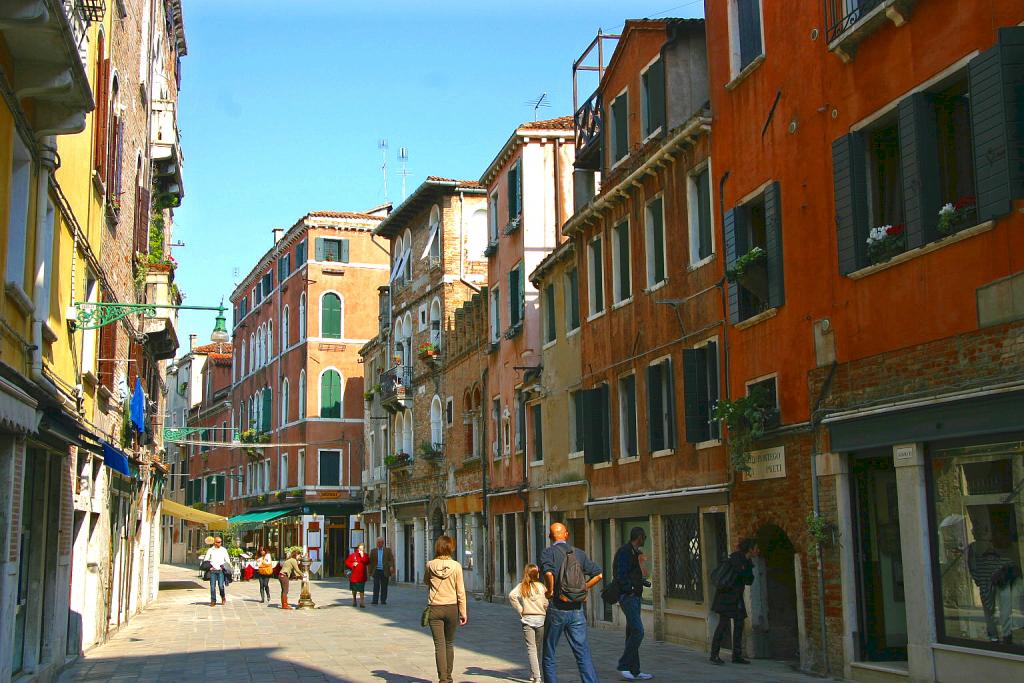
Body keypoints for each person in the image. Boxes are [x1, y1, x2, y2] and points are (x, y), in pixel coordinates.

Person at [539, 522, 603, 683]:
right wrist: (584, 588)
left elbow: (548, 573)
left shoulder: (548, 553)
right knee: (582, 652)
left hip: (557, 608)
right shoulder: (579, 553)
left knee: (549, 652)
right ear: (566, 535)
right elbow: (599, 575)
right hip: (577, 609)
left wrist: (550, 591)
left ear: (550, 536)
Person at [425, 535, 467, 683]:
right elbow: (460, 591)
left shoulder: (430, 565)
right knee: (449, 643)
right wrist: (463, 612)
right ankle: (448, 677)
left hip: (435, 607)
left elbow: (426, 581)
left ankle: (442, 679)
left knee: (439, 645)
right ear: (451, 548)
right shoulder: (456, 566)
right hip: (451, 608)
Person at [709, 538, 758, 665]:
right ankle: (714, 655)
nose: (758, 551)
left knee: (739, 624)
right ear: (750, 549)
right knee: (723, 625)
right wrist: (745, 569)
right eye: (756, 548)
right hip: (726, 597)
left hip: (736, 598)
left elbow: (749, 580)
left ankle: (737, 655)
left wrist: (748, 568)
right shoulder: (737, 560)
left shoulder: (747, 562)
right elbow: (741, 577)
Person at [613, 527, 653, 680]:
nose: (645, 540)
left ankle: (635, 670)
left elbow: (634, 573)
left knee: (632, 633)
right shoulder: (625, 551)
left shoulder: (635, 553)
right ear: (639, 537)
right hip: (628, 597)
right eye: (644, 537)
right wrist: (629, 589)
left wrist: (639, 583)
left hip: (635, 596)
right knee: (638, 631)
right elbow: (620, 573)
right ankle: (624, 665)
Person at [508, 563, 548, 683]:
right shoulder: (542, 587)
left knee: (531, 648)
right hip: (541, 619)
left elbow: (511, 596)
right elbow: (546, 603)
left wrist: (520, 609)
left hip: (528, 619)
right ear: (537, 574)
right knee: (538, 647)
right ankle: (535, 673)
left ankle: (536, 675)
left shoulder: (522, 586)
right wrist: (544, 608)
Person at [202, 536, 231, 607]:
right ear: (215, 542)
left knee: (221, 586)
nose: (220, 543)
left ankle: (223, 597)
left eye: (221, 542)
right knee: (212, 586)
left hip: (221, 570)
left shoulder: (223, 550)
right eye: (218, 542)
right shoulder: (210, 550)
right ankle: (213, 601)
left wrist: (225, 567)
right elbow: (206, 560)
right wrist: (210, 567)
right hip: (213, 571)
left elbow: (227, 560)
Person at [371, 536, 396, 605]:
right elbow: (371, 562)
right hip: (376, 570)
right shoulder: (373, 551)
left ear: (383, 543)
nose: (379, 544)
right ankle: (375, 600)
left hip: (385, 570)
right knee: (376, 585)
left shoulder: (387, 550)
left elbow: (391, 559)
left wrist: (391, 566)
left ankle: (383, 600)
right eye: (378, 542)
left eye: (380, 542)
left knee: (384, 586)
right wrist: (370, 572)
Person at [345, 543, 371, 608]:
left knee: (361, 589)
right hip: (354, 576)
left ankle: (362, 602)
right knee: (354, 589)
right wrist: (352, 564)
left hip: (362, 575)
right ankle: (354, 599)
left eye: (362, 548)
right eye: (360, 548)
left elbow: (367, 562)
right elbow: (347, 562)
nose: (361, 550)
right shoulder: (353, 555)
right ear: (358, 549)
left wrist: (362, 556)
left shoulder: (365, 555)